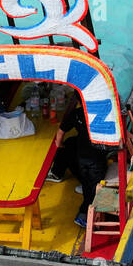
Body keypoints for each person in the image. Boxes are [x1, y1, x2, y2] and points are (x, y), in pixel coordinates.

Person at [47, 92, 111, 228]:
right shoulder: (100, 113)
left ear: (78, 100)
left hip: (83, 157)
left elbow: (60, 134)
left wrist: (60, 144)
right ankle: (84, 216)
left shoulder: (76, 114)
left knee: (88, 184)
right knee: (94, 187)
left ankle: (85, 203)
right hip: (97, 156)